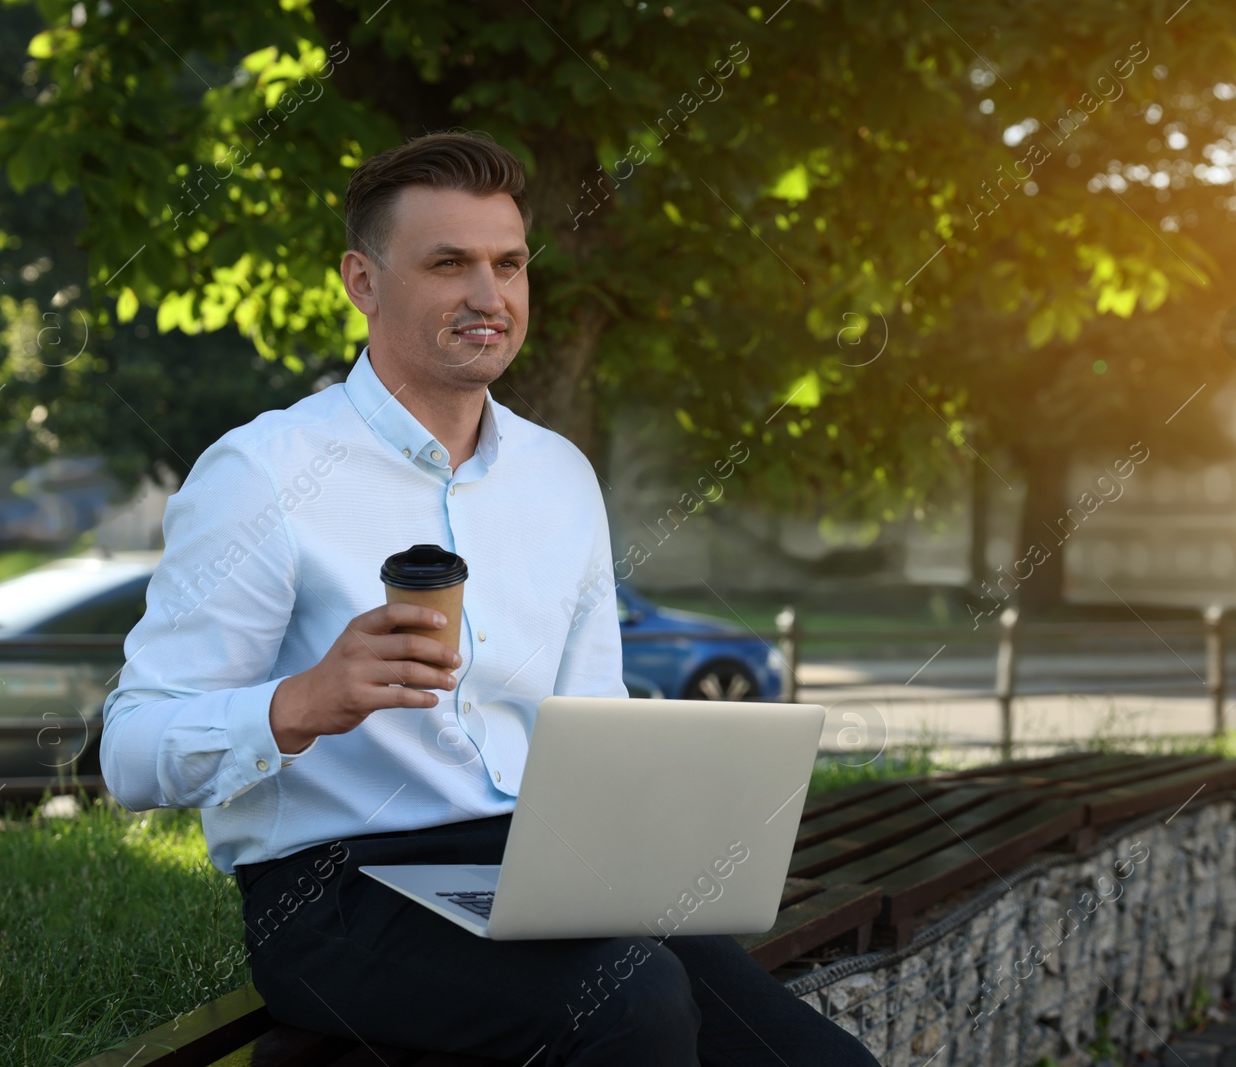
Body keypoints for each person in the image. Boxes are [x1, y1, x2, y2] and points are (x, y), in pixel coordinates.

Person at [101, 131, 877, 1066]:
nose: (489, 295)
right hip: (335, 889)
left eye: (509, 264)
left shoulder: (559, 475)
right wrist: (301, 702)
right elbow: (131, 753)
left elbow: (594, 715)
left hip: (544, 867)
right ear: (363, 280)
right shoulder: (262, 473)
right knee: (631, 1004)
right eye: (449, 264)